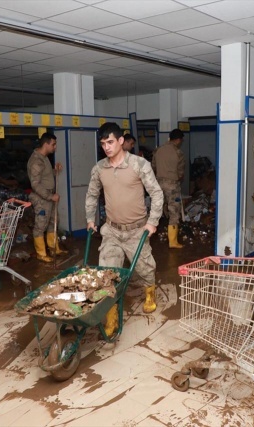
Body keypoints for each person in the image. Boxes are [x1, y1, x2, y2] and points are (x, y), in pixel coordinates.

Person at [85, 122, 164, 336]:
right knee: (107, 275)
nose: (107, 147)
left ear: (121, 141)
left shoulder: (139, 164)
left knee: (145, 267)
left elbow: (156, 193)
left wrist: (153, 221)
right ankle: (111, 319)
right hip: (111, 230)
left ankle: (150, 293)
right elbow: (92, 194)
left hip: (137, 230)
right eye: (103, 144)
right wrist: (90, 218)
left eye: (110, 142)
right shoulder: (100, 168)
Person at [27, 132, 67, 263]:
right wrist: (50, 196)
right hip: (42, 198)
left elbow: (45, 176)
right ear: (46, 144)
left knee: (52, 222)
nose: (55, 147)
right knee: (40, 225)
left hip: (49, 197)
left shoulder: (44, 158)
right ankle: (41, 253)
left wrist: (55, 171)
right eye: (53, 144)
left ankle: (53, 248)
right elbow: (35, 185)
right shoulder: (36, 161)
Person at [152, 128, 185, 248]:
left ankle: (147, 235)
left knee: (156, 209)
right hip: (172, 185)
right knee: (174, 211)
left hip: (158, 183)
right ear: (178, 140)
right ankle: (173, 242)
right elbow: (181, 172)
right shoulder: (178, 153)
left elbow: (153, 166)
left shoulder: (158, 150)